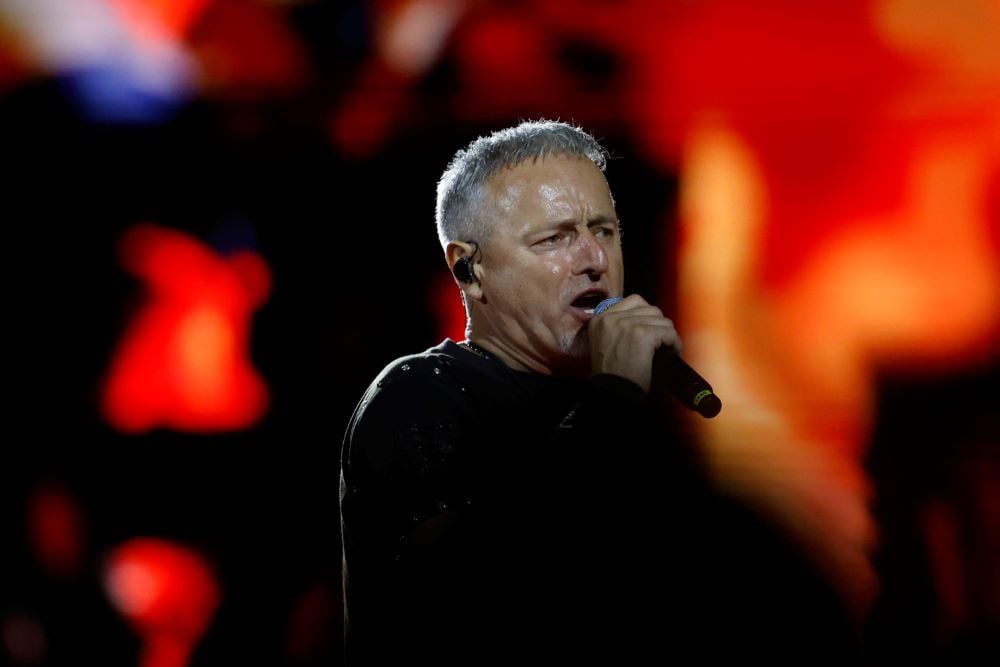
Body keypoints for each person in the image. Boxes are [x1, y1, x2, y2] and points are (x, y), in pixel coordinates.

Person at [338, 120, 859, 665]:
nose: (595, 260)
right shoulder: (419, 397)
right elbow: (467, 597)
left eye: (605, 231)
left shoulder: (630, 414)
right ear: (469, 269)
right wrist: (612, 399)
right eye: (555, 238)